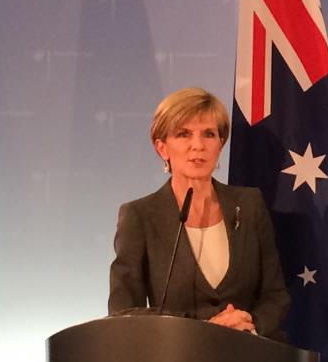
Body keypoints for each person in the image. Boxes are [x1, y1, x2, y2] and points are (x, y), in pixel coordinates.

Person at [108, 87, 290, 338]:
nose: (198, 145)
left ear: (220, 143)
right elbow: (124, 312)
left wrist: (250, 322)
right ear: (162, 148)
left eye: (209, 134)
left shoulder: (249, 205)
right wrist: (205, 329)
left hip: (249, 360)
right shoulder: (140, 216)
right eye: (183, 134)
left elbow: (275, 294)